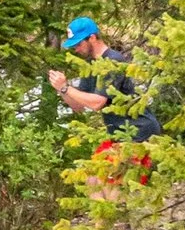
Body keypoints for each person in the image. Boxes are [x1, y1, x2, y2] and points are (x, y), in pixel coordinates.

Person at [50, 16, 157, 186]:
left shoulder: (113, 60)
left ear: (92, 37)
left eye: (78, 44)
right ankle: (111, 210)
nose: (76, 49)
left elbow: (97, 103)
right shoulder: (90, 65)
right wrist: (61, 89)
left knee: (112, 183)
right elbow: (79, 106)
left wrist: (66, 88)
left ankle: (119, 210)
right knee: (94, 179)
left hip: (138, 131)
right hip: (118, 135)